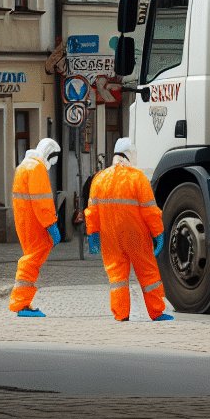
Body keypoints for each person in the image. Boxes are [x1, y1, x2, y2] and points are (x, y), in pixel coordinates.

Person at [85, 137, 172, 322]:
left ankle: (121, 314)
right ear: (131, 155)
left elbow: (91, 212)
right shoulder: (137, 177)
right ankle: (156, 312)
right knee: (148, 274)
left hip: (110, 238)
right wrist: (158, 233)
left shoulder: (99, 179)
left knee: (117, 277)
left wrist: (92, 234)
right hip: (136, 236)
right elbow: (150, 210)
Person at [9, 138, 62, 317]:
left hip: (24, 221)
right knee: (31, 261)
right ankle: (21, 303)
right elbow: (42, 202)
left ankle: (24, 302)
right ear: (49, 154)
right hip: (36, 223)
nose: (53, 163)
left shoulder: (23, 167)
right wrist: (51, 225)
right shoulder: (36, 168)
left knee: (30, 259)